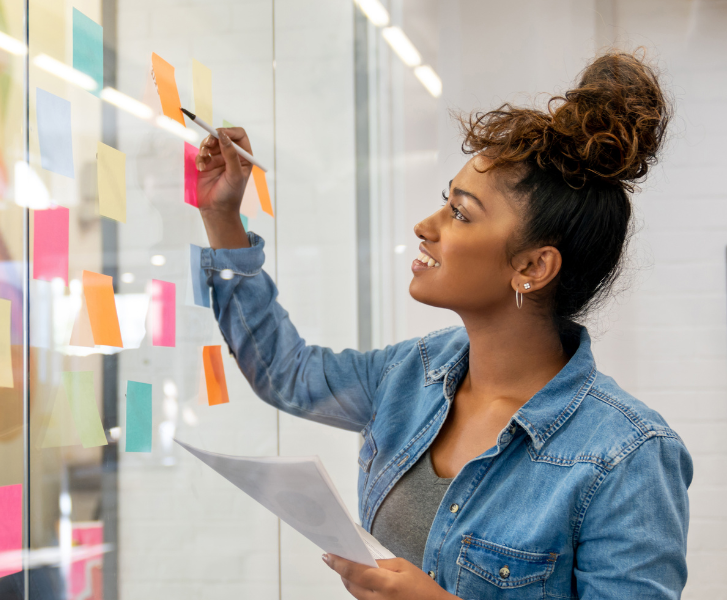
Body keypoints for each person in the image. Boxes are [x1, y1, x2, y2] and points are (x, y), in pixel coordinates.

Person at [190, 51, 691, 599]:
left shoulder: (629, 453)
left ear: (531, 267)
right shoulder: (411, 374)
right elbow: (287, 375)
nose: (425, 227)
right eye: (443, 202)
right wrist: (223, 216)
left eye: (460, 212)